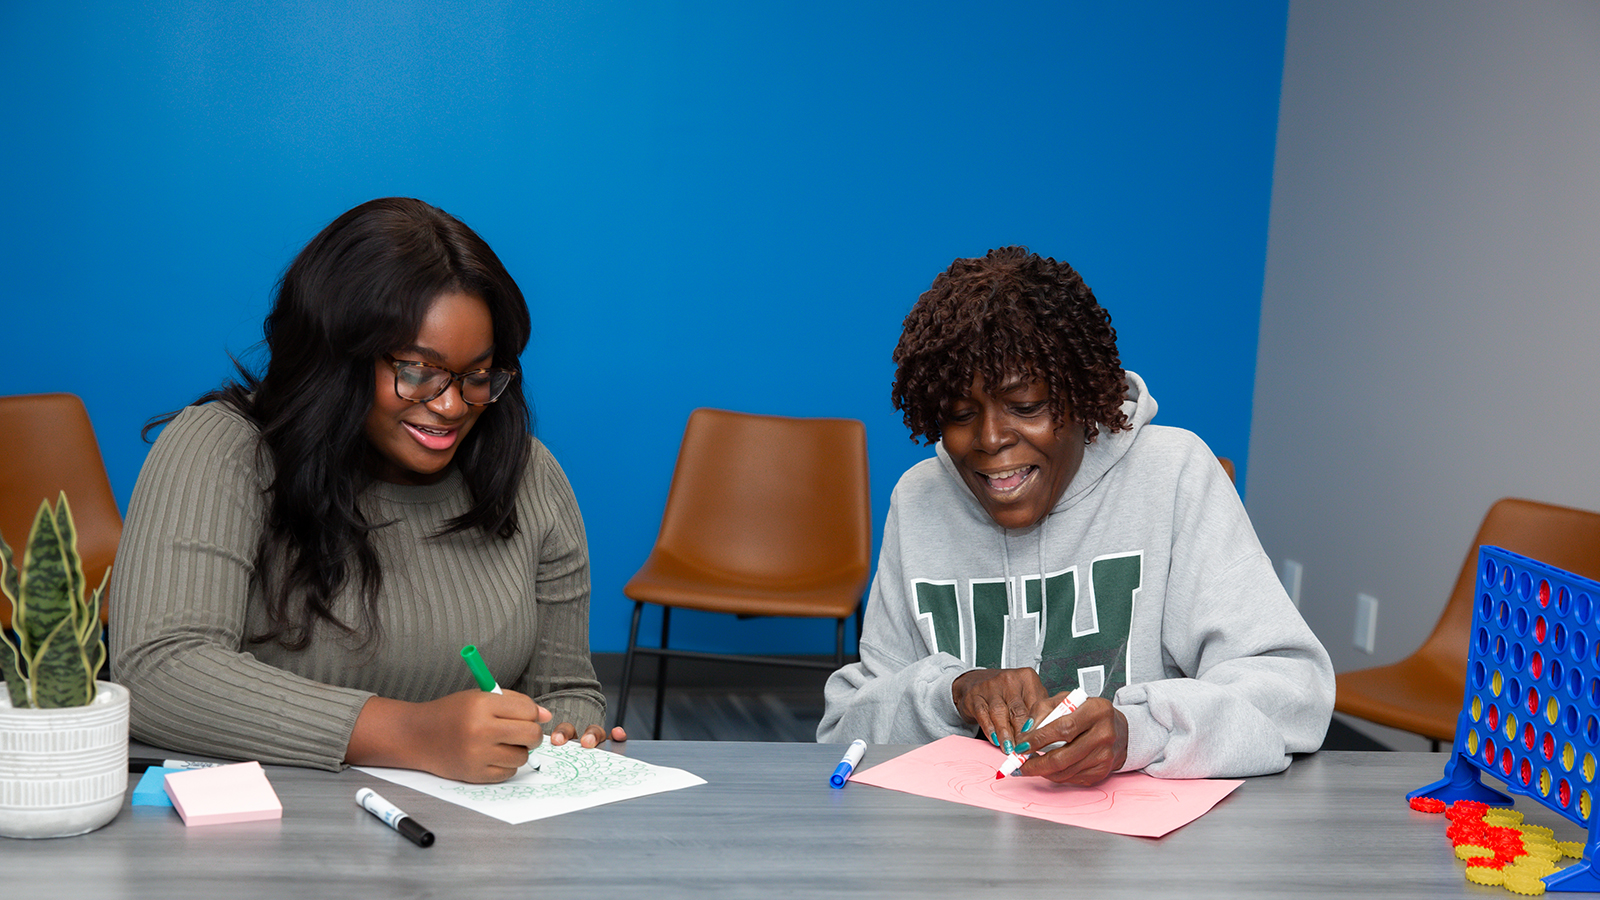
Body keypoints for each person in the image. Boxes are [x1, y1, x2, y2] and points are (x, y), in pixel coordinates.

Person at [111, 197, 624, 783]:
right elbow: (157, 671)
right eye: (417, 370)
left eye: (477, 376)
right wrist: (413, 734)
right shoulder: (223, 449)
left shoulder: (530, 476)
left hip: (468, 844)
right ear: (337, 358)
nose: (452, 405)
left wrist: (562, 732)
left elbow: (565, 689)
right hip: (266, 830)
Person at [817, 247, 1334, 784]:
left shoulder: (1175, 474)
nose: (991, 439)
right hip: (961, 845)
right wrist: (954, 691)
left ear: (1084, 398)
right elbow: (843, 730)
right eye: (961, 414)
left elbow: (1295, 696)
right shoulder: (919, 498)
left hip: (1147, 854)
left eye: (1027, 406)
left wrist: (1138, 732)